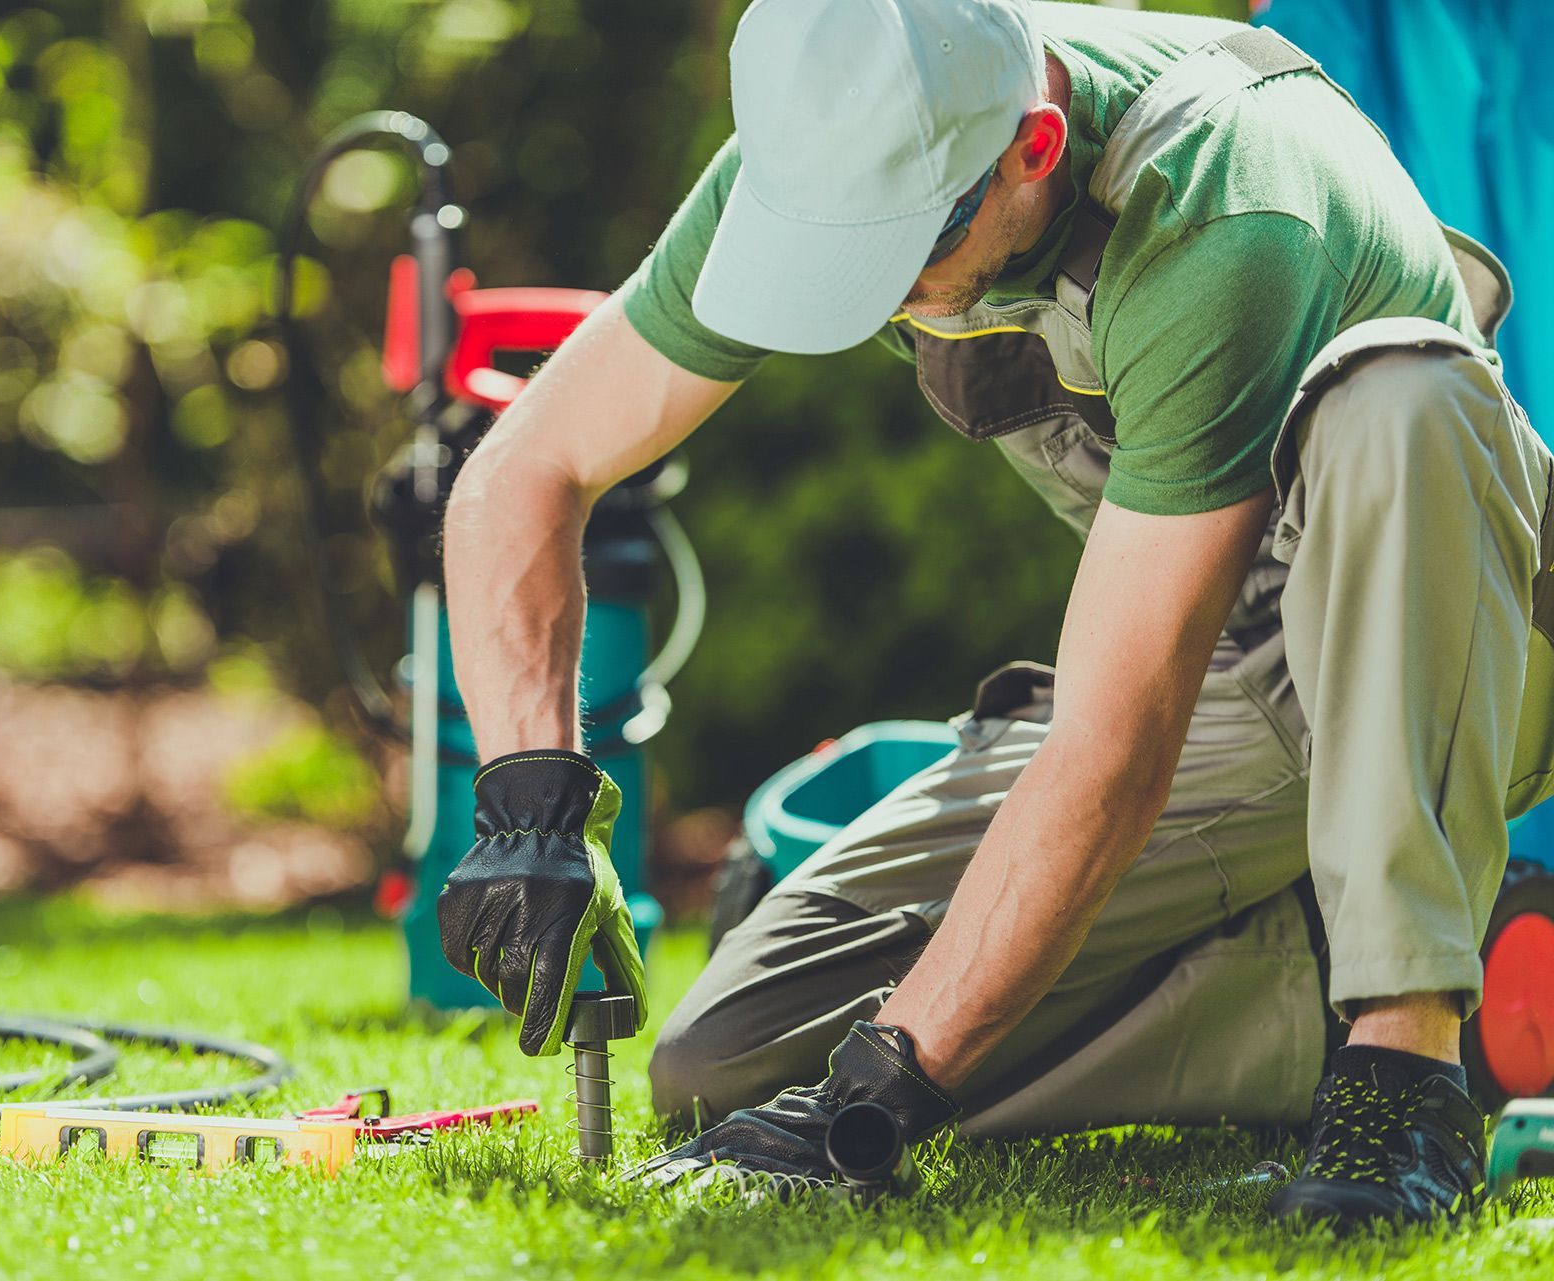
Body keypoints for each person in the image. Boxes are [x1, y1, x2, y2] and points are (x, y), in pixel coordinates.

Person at [432, 0, 1554, 1229]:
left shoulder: (1227, 207)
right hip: (1228, 677)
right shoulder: (830, 140)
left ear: (1033, 144)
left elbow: (1116, 746)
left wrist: (889, 1082)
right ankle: (1413, 963)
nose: (885, 295)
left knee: (1404, 396)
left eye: (909, 248)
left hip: (1444, 657)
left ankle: (1407, 1058)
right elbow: (523, 472)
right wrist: (527, 797)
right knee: (730, 1061)